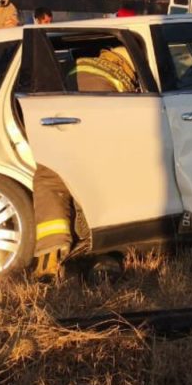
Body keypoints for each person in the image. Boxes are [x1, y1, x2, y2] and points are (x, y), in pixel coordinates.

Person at [32, 45, 139, 275]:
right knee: (96, 191)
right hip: (89, 134)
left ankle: (48, 260)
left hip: (55, 127)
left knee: (50, 184)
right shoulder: (119, 80)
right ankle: (101, 253)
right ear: (127, 64)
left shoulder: (81, 65)